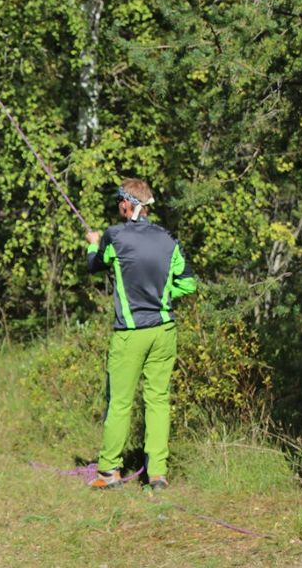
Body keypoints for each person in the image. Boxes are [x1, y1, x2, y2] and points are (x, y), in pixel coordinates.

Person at [84, 178, 196, 491]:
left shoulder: (114, 236)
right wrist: (164, 294)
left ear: (126, 204)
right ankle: (157, 475)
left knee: (120, 402)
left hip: (130, 334)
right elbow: (188, 284)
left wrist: (93, 241)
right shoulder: (168, 239)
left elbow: (96, 264)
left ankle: (109, 472)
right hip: (164, 331)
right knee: (158, 401)